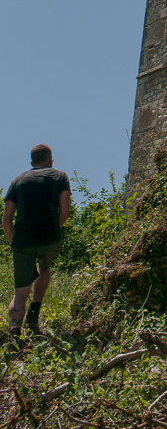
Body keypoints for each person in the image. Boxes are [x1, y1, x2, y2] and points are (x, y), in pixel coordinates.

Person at [3, 145, 71, 340]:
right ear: (50, 160)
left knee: (20, 289)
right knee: (44, 267)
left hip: (23, 239)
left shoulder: (17, 181)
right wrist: (52, 229)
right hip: (50, 238)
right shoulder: (60, 177)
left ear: (32, 163)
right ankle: (34, 314)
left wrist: (14, 243)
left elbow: (6, 220)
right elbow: (64, 213)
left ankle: (14, 334)